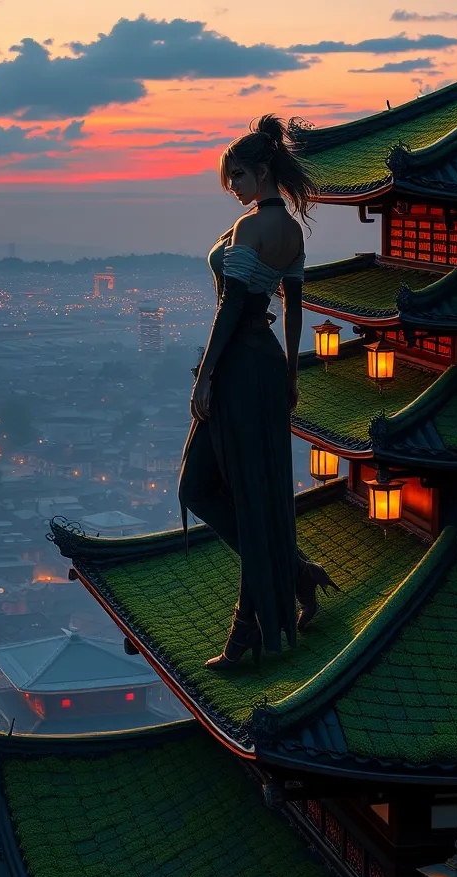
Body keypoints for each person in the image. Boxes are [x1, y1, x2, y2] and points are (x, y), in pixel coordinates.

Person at [178, 113, 339, 672]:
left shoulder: (251, 230)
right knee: (243, 491)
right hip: (267, 367)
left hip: (240, 367)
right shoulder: (290, 231)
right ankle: (292, 573)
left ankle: (248, 631)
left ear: (263, 169)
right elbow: (294, 307)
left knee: (210, 487)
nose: (235, 190)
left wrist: (206, 376)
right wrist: (292, 373)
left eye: (239, 178)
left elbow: (234, 307)